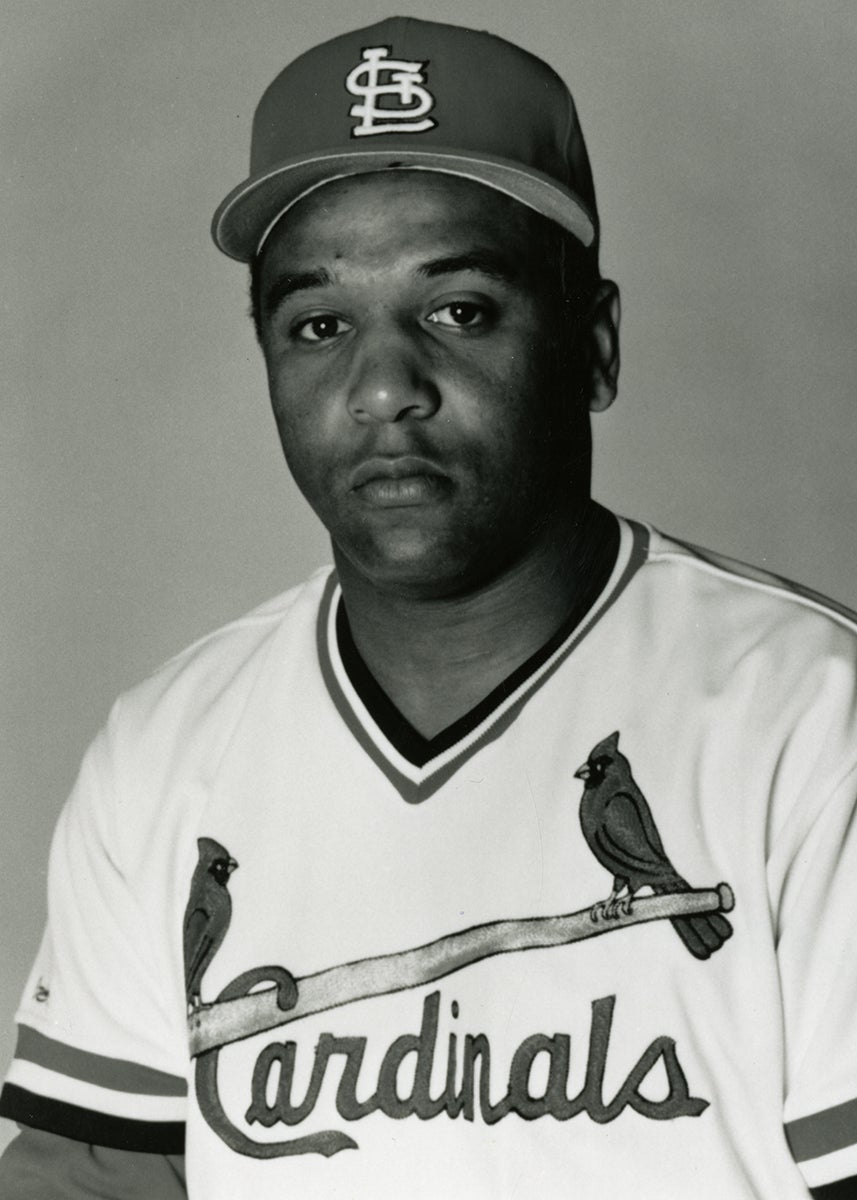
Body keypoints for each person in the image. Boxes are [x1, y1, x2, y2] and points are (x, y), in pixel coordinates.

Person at [1, 15, 855, 1199]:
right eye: (318, 325)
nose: (384, 388)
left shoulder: (812, 722)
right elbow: (87, 1176)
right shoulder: (166, 749)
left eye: (458, 309)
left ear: (594, 348)